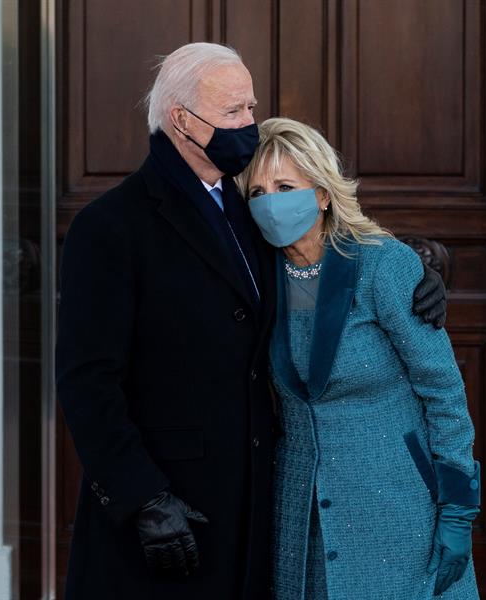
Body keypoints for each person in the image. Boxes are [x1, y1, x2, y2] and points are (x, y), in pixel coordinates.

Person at [55, 44, 448, 599]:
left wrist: (416, 271)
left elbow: (319, 253)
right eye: (233, 111)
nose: (249, 124)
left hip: (260, 503)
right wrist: (141, 497)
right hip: (169, 512)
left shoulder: (248, 205)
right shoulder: (111, 226)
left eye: (251, 107)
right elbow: (86, 381)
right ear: (182, 121)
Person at [235, 117, 481, 600]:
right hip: (300, 513)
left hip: (395, 507)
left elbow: (444, 391)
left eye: (285, 187)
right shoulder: (256, 278)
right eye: (257, 192)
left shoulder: (381, 265)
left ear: (323, 194)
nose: (270, 203)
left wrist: (458, 508)